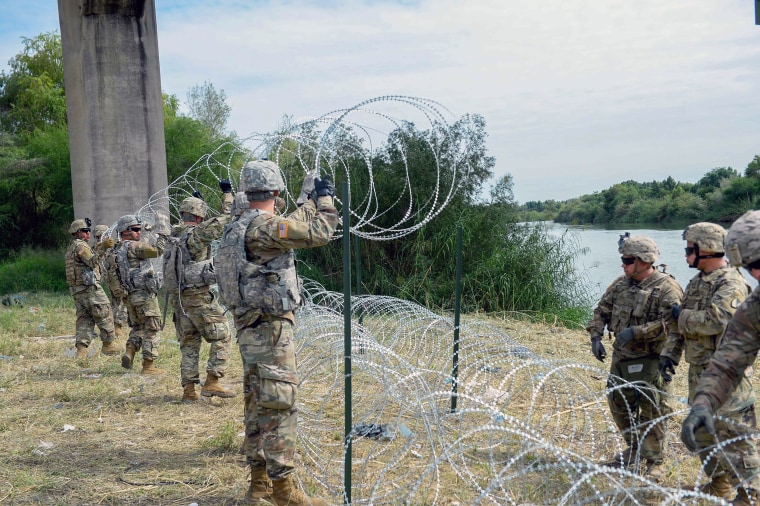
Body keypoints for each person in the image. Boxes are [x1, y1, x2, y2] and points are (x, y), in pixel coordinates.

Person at [215, 160, 338, 506]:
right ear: (275, 191)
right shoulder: (265, 228)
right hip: (270, 328)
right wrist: (324, 200)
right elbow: (318, 232)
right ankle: (284, 491)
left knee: (257, 402)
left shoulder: (237, 225)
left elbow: (293, 224)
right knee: (280, 403)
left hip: (248, 328)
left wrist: (306, 200)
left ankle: (258, 486)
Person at [660, 222, 751, 499]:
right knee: (704, 435)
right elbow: (680, 326)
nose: (686, 255)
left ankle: (749, 495)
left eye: (690, 249)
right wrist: (669, 354)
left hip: (725, 375)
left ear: (707, 249)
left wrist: (680, 316)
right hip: (698, 371)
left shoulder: (731, 282)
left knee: (734, 438)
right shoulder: (697, 282)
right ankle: (720, 486)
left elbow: (718, 318)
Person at [586, 234, 683, 479]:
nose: (623, 264)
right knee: (619, 405)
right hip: (622, 358)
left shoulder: (666, 288)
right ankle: (635, 449)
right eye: (623, 259)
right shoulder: (621, 284)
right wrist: (596, 337)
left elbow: (673, 323)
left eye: (628, 260)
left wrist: (637, 332)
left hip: (651, 358)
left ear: (644, 261)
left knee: (653, 408)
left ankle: (655, 461)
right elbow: (601, 310)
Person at [681, 210, 760, 505]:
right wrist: (704, 403)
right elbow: (730, 359)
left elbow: (715, 320)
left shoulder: (731, 284)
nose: (756, 275)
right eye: (750, 267)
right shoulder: (755, 306)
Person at [165, 180, 236, 402]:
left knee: (189, 342)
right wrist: (228, 194)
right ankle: (213, 380)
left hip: (179, 298)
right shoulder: (197, 235)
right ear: (198, 217)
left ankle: (189, 390)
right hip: (198, 296)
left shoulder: (173, 234)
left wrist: (200, 203)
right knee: (223, 334)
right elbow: (228, 218)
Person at [106, 213, 169, 374]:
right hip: (144, 296)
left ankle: (130, 351)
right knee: (152, 327)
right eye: (135, 229)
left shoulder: (114, 250)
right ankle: (148, 366)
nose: (138, 232)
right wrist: (161, 230)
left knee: (138, 327)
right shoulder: (134, 246)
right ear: (125, 231)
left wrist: (147, 234)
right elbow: (157, 250)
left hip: (128, 297)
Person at [65, 218, 119, 359]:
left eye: (89, 231)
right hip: (89, 289)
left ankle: (81, 351)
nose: (88, 234)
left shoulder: (72, 247)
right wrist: (103, 248)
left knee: (85, 319)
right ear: (77, 233)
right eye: (85, 231)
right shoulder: (80, 246)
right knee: (105, 312)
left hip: (78, 291)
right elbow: (92, 261)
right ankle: (108, 345)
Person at [93, 224, 129, 341]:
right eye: (98, 236)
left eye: (101, 236)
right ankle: (116, 326)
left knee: (118, 301)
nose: (100, 239)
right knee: (120, 301)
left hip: (116, 277)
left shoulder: (114, 245)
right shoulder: (98, 248)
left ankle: (115, 326)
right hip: (111, 278)